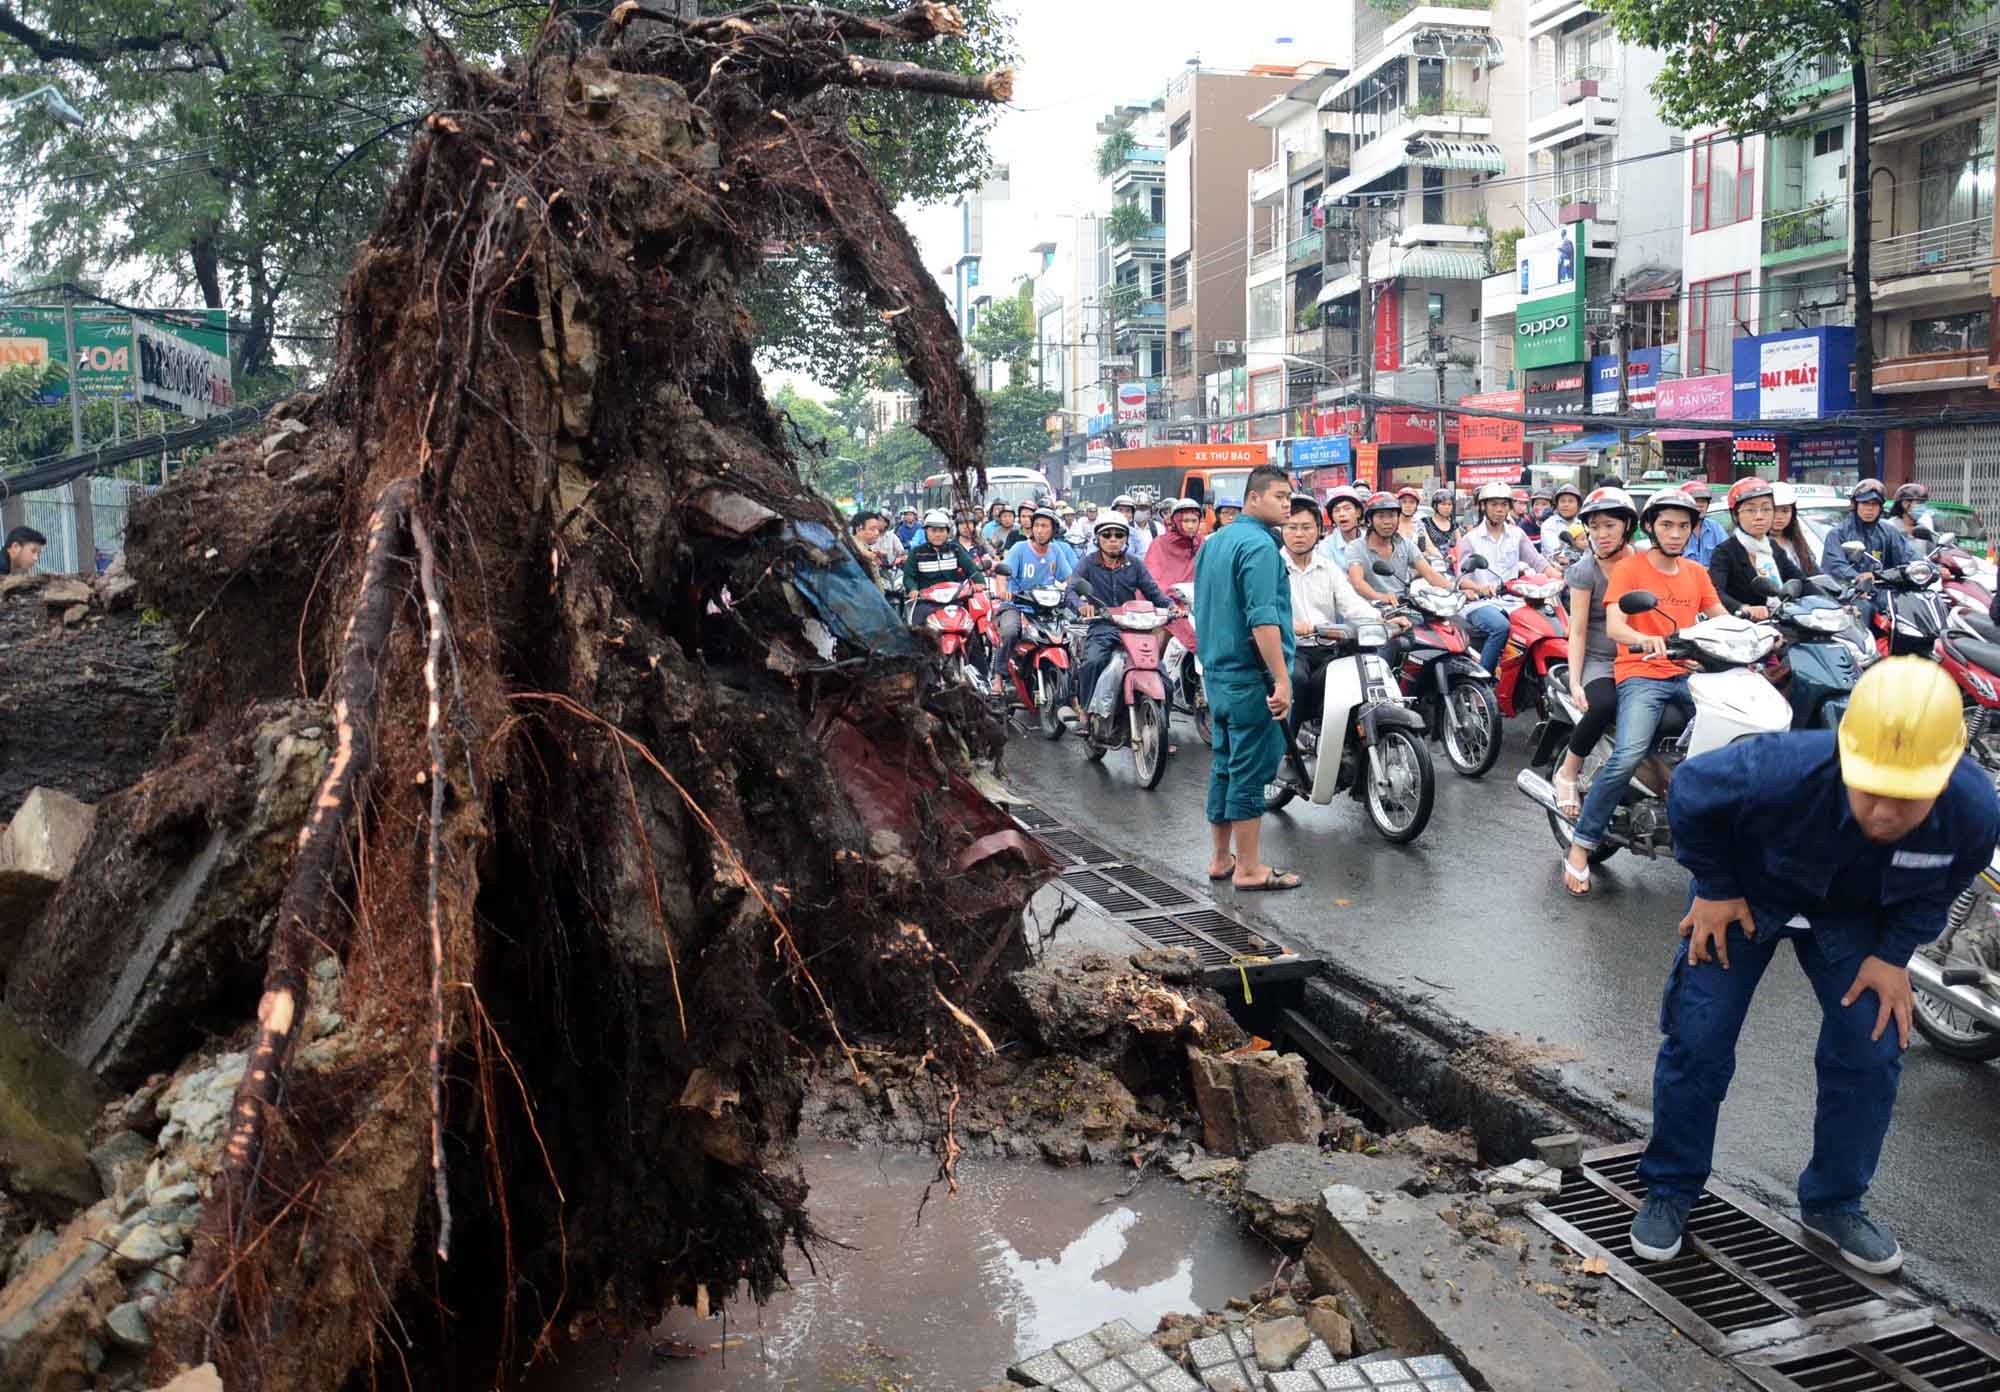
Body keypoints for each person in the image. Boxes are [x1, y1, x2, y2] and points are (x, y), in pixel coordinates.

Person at [1628, 658, 2000, 1273]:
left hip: (1853, 918)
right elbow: (1690, 789)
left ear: (1941, 778)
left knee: (1871, 1046)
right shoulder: (1785, 767)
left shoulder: (1971, 808)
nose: (1884, 813)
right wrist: (1715, 885)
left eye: (1905, 800)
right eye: (1871, 789)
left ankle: (1834, 1202)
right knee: (1698, 1038)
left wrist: (1893, 955)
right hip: (1747, 896)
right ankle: (1670, 1187)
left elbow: (1945, 882)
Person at [1562, 487, 1729, 896]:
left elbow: (1720, 616)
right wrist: (1643, 641)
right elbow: (1615, 626)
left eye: (1684, 526)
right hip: (1642, 674)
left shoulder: (1696, 572)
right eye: (1667, 525)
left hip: (1690, 674)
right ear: (1651, 527)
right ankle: (1581, 846)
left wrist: (1757, 633)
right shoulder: (1631, 570)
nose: (1675, 534)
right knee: (1628, 754)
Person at [1193, 464, 1300, 892]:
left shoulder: (1214, 542)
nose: (1287, 504)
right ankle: (1250, 868)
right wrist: (1281, 679)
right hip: (1249, 677)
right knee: (1249, 771)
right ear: (1253, 498)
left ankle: (1221, 858)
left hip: (1217, 674)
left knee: (1224, 764)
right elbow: (1262, 619)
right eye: (1279, 496)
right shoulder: (1259, 547)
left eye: (1289, 497)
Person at [1550, 486, 1641, 818]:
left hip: (1641, 655)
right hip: (1600, 660)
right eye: (1595, 526)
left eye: (1609, 526)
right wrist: (1575, 682)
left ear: (1627, 527)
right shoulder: (1584, 570)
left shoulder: (1643, 561)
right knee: (1603, 704)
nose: (1601, 534)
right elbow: (1577, 630)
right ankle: (1569, 772)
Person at [1280, 496, 1390, 736]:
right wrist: (1292, 626)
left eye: (1306, 527)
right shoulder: (1273, 566)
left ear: (1319, 530)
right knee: (1297, 679)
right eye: (1292, 527)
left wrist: (1382, 619)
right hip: (1290, 648)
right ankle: (1287, 745)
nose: (1299, 534)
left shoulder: (1327, 567)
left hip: (1328, 645)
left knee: (1352, 678)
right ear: (1282, 530)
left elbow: (1351, 604)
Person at [1067, 514, 1173, 725]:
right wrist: (1081, 606)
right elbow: (1071, 590)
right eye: (1107, 535)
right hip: (1102, 626)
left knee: (1163, 677)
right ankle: (1086, 712)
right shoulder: (1088, 563)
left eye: (1119, 535)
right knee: (1093, 662)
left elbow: (1153, 592)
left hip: (1134, 628)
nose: (1113, 539)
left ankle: (1162, 729)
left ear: (1126, 538)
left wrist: (1171, 607)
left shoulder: (1134, 564)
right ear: (1098, 539)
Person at [1457, 481, 1559, 676]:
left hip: (1514, 601)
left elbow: (1538, 562)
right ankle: (1483, 680)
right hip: (1481, 603)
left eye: (1504, 505)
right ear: (1483, 506)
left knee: (1544, 625)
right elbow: (1462, 579)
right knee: (1500, 627)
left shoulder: (1517, 534)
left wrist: (1559, 577)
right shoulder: (1471, 538)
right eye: (1494, 504)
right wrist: (1481, 588)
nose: (1499, 510)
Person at [993, 508, 1078, 691]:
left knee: (1071, 634)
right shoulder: (1019, 549)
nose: (1039, 530)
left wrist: (1078, 592)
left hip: (1046, 608)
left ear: (1053, 530)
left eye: (1044, 526)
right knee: (1010, 632)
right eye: (1037, 525)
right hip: (1016, 604)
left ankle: (1073, 689)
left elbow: (1069, 578)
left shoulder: (1055, 551)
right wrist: (1003, 591)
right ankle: (998, 677)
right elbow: (1003, 574)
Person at [1822, 480, 1916, 626]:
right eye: (1865, 504)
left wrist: (1926, 567)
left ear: (1880, 507)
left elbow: (1909, 557)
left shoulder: (1888, 532)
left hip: (1885, 592)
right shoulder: (1838, 533)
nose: (1869, 509)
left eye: (1874, 504)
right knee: (1863, 610)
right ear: (1855, 505)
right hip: (1851, 594)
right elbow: (1835, 567)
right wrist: (1859, 579)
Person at [1707, 477, 1801, 619]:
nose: (1759, 516)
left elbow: (1800, 580)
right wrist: (1743, 608)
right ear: (1735, 515)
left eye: (1766, 509)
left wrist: (1828, 599)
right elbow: (1714, 592)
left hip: (1782, 619)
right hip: (1745, 629)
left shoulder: (1773, 547)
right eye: (1750, 510)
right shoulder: (1725, 551)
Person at [1348, 492, 1452, 605]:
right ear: (1370, 520)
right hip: (1370, 610)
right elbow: (1357, 582)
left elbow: (1430, 574)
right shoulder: (1355, 547)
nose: (1387, 522)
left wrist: (1455, 590)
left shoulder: (1406, 544)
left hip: (1402, 606)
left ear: (1398, 518)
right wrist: (1380, 597)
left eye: (1392, 515)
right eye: (1381, 516)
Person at [904, 510, 984, 628]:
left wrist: (979, 582)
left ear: (948, 532)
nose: (937, 534)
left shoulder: (955, 549)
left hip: (955, 600)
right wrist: (913, 589)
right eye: (933, 531)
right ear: (926, 532)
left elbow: (971, 568)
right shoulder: (917, 553)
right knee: (916, 630)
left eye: (941, 530)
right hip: (926, 602)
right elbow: (909, 577)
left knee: (973, 624)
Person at [1146, 497, 1205, 591]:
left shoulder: (1202, 543)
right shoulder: (1160, 544)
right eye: (1185, 521)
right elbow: (1151, 578)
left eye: (1194, 521)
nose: (1190, 526)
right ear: (1176, 521)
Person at [1769, 481, 1819, 578]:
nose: (1779, 517)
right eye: (1774, 510)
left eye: (1785, 511)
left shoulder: (1797, 541)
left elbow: (1814, 572)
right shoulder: (1757, 543)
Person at [1316, 485, 1366, 572]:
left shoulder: (1370, 539)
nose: (1342, 514)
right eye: (1336, 510)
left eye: (1347, 508)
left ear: (1358, 512)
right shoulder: (1325, 547)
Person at [1682, 486, 1728, 567]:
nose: (1700, 505)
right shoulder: (1677, 530)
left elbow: (1728, 556)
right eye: (1695, 501)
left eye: (1703, 501)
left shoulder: (1715, 528)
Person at [1420, 487, 1461, 559]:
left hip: (1452, 564)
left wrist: (1455, 555)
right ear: (1435, 505)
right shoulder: (1425, 522)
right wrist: (1443, 558)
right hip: (1432, 563)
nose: (1447, 507)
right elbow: (1428, 546)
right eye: (1443, 504)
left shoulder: (1454, 524)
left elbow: (1460, 545)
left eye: (1449, 504)